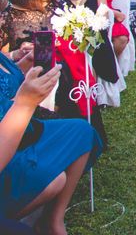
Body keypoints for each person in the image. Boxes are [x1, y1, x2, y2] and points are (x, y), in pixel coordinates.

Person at [0, 57, 102, 234]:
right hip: (10, 137)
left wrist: (25, 63)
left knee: (81, 131)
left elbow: (6, 79)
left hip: (26, 126)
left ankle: (54, 219)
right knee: (53, 179)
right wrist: (24, 104)